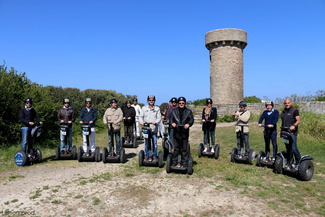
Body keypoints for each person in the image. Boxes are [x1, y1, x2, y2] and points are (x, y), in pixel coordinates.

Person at [170, 97, 194, 168]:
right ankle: (175, 162)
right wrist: (172, 123)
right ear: (178, 103)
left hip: (184, 132)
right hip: (176, 131)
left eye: (182, 103)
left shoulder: (188, 111)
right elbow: (171, 118)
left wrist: (188, 124)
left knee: (184, 149)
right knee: (176, 148)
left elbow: (191, 119)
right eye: (180, 103)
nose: (181, 104)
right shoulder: (174, 111)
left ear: (185, 103)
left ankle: (184, 163)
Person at [139, 95, 161, 161]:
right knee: (147, 143)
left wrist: (155, 122)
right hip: (146, 128)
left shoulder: (157, 109)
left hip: (153, 128)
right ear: (148, 101)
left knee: (154, 143)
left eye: (152, 100)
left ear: (154, 101)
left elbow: (159, 118)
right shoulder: (144, 108)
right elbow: (140, 116)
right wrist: (141, 122)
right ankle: (147, 155)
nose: (151, 101)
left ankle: (154, 156)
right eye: (150, 100)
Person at [281, 98, 301, 168]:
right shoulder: (283, 112)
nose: (287, 104)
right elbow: (282, 122)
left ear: (291, 103)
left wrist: (294, 125)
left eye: (288, 103)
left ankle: (299, 162)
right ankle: (290, 162)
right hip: (285, 133)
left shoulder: (295, 111)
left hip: (292, 133)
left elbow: (298, 120)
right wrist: (281, 132)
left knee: (294, 147)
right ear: (284, 104)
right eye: (286, 103)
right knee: (288, 148)